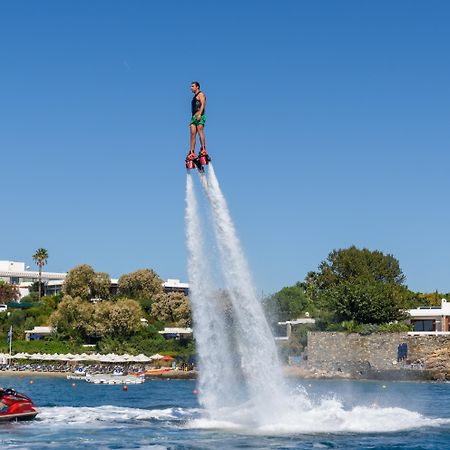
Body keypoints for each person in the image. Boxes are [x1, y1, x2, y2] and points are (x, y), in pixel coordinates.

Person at [188, 81, 208, 158]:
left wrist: (200, 114)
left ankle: (203, 148)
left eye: (192, 86)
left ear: (197, 87)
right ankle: (192, 152)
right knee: (192, 134)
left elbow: (203, 104)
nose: (191, 88)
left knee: (200, 131)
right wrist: (191, 120)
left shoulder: (201, 94)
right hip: (193, 117)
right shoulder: (194, 97)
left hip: (200, 115)